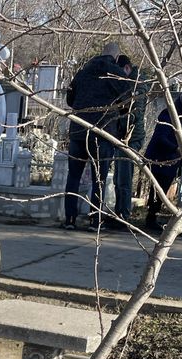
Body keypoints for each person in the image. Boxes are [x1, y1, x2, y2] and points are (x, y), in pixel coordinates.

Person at [63, 42, 132, 229]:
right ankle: (95, 220)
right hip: (102, 131)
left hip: (78, 129)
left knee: (74, 177)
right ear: (117, 58)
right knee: (99, 179)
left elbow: (69, 98)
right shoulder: (115, 73)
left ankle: (69, 219)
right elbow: (128, 100)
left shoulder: (83, 72)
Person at [144, 91, 182, 231]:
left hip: (173, 158)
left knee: (165, 186)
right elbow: (161, 137)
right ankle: (151, 218)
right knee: (158, 188)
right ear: (181, 104)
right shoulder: (168, 114)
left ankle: (153, 216)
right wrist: (176, 149)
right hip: (161, 157)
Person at [113, 57, 148, 224]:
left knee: (124, 178)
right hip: (122, 135)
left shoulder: (137, 86)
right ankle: (118, 212)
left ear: (126, 68)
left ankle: (124, 215)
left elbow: (134, 114)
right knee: (118, 178)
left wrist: (122, 110)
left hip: (130, 137)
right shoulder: (131, 84)